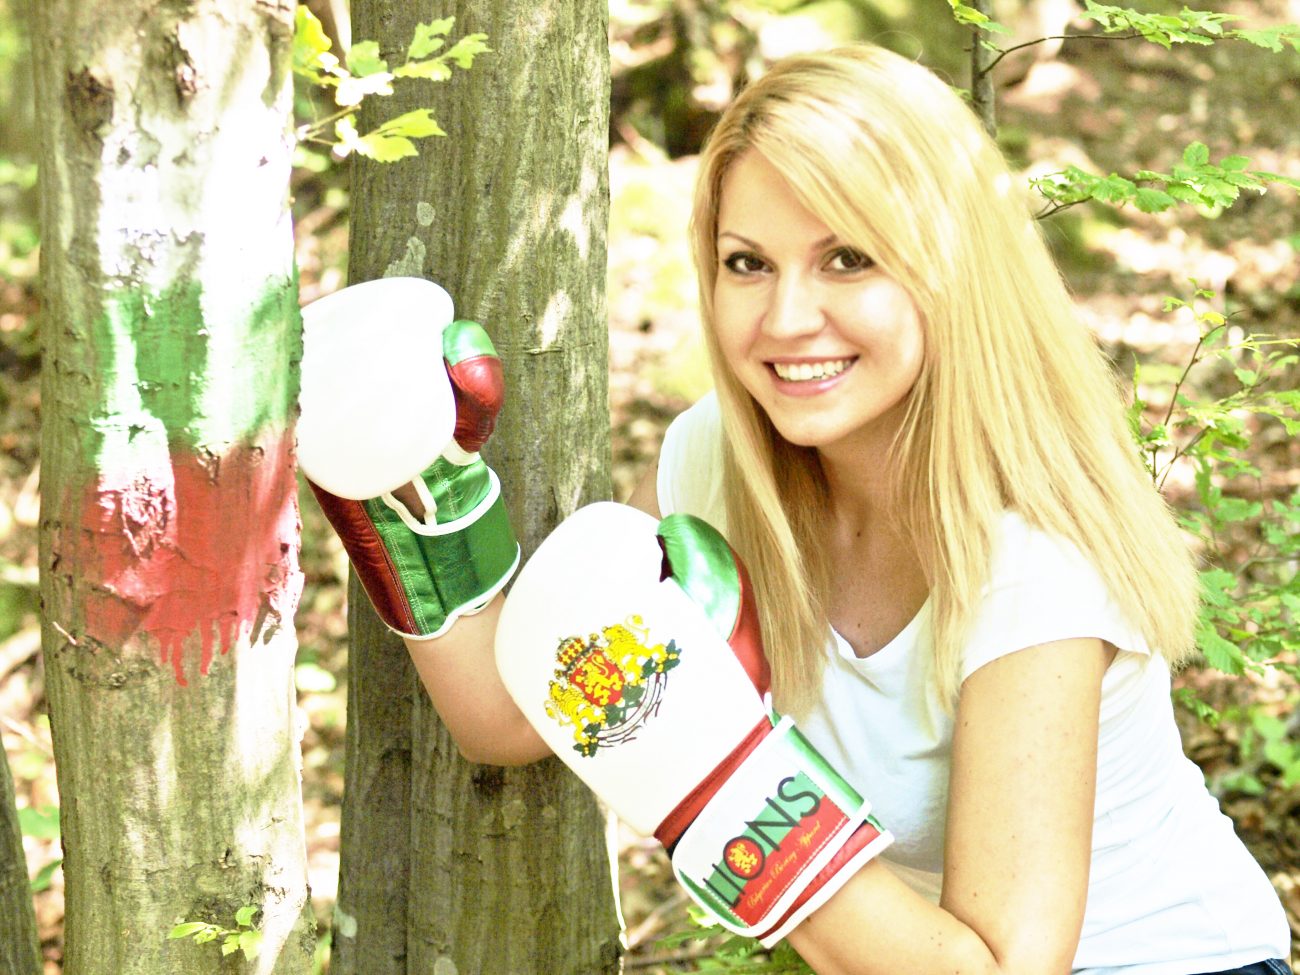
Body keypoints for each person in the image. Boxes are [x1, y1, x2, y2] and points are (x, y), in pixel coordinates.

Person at [300, 44, 1293, 975]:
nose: (784, 319)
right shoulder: (722, 459)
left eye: (847, 259)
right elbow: (504, 713)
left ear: (948, 270)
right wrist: (401, 476)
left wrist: (716, 779)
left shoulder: (1031, 548)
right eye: (748, 262)